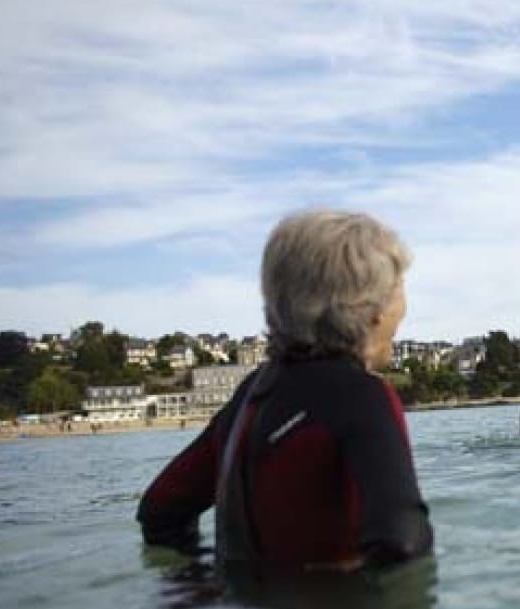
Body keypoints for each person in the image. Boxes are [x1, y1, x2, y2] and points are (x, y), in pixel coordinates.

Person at [137, 210, 433, 573]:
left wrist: (204, 595)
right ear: (371, 308)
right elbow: (403, 544)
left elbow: (161, 510)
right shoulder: (361, 397)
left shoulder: (252, 395)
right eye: (398, 288)